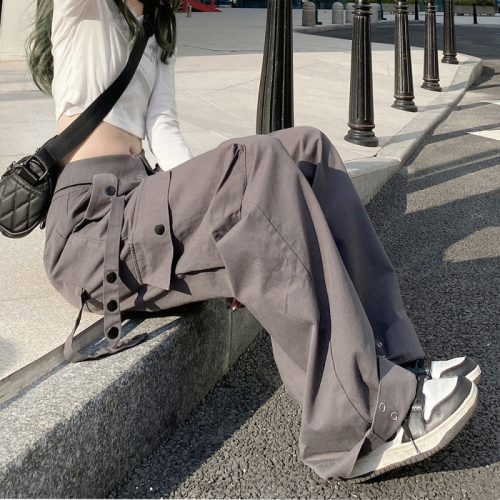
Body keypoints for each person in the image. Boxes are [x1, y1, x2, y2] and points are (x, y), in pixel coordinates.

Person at [26, 0, 481, 482]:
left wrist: (208, 221)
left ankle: (395, 362)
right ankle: (364, 420)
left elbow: (164, 130)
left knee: (308, 150)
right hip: (93, 230)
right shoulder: (84, 9)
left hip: (143, 204)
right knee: (257, 164)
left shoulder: (155, 26)